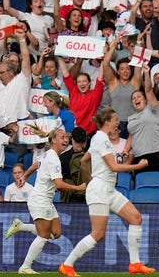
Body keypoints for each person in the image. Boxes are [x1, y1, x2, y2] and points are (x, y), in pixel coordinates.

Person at [59, 108, 153, 276]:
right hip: (101, 190)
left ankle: (135, 264)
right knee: (98, 234)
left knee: (136, 218)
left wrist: (90, 181)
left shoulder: (99, 139)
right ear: (108, 121)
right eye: (116, 119)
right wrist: (138, 166)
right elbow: (113, 166)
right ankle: (67, 264)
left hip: (107, 189)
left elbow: (84, 161)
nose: (118, 122)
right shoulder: (102, 138)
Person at [5, 128, 86, 274]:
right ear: (54, 140)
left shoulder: (49, 154)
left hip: (46, 200)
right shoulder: (54, 158)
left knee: (56, 233)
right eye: (62, 137)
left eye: (66, 137)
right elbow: (60, 185)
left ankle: (21, 226)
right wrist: (78, 187)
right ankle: (25, 267)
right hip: (39, 200)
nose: (65, 140)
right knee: (43, 236)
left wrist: (25, 176)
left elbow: (36, 164)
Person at [126, 65, 159, 172]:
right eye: (133, 98)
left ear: (146, 100)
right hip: (139, 156)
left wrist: (147, 73)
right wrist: (125, 150)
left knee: (158, 185)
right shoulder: (131, 118)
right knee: (142, 185)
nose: (136, 99)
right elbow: (131, 136)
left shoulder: (152, 109)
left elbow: (148, 90)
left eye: (138, 97)